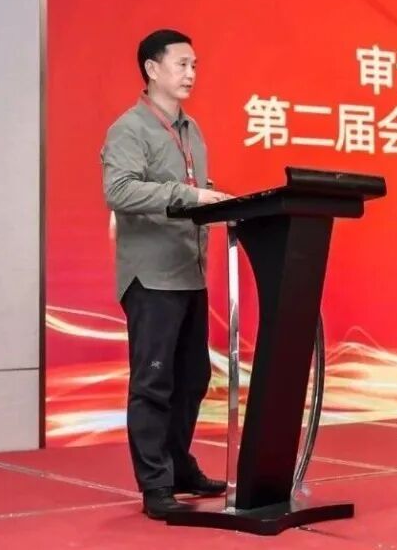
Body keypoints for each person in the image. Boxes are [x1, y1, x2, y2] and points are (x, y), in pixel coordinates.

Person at [101, 29, 232, 519]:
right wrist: (189, 195)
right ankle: (155, 484)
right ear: (152, 69)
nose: (191, 73)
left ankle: (178, 466)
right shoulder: (129, 129)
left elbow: (195, 188)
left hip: (190, 272)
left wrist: (218, 203)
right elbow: (119, 191)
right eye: (181, 64)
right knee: (153, 382)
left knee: (193, 377)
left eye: (195, 65)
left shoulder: (191, 129)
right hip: (152, 278)